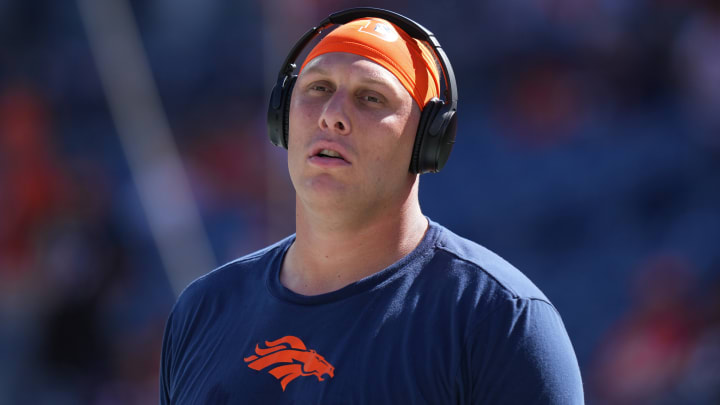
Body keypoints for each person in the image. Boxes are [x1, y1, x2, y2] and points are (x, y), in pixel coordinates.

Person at [160, 8, 584, 404]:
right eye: (318, 88)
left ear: (428, 141)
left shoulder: (497, 319)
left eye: (371, 98)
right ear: (282, 118)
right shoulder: (203, 308)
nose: (332, 115)